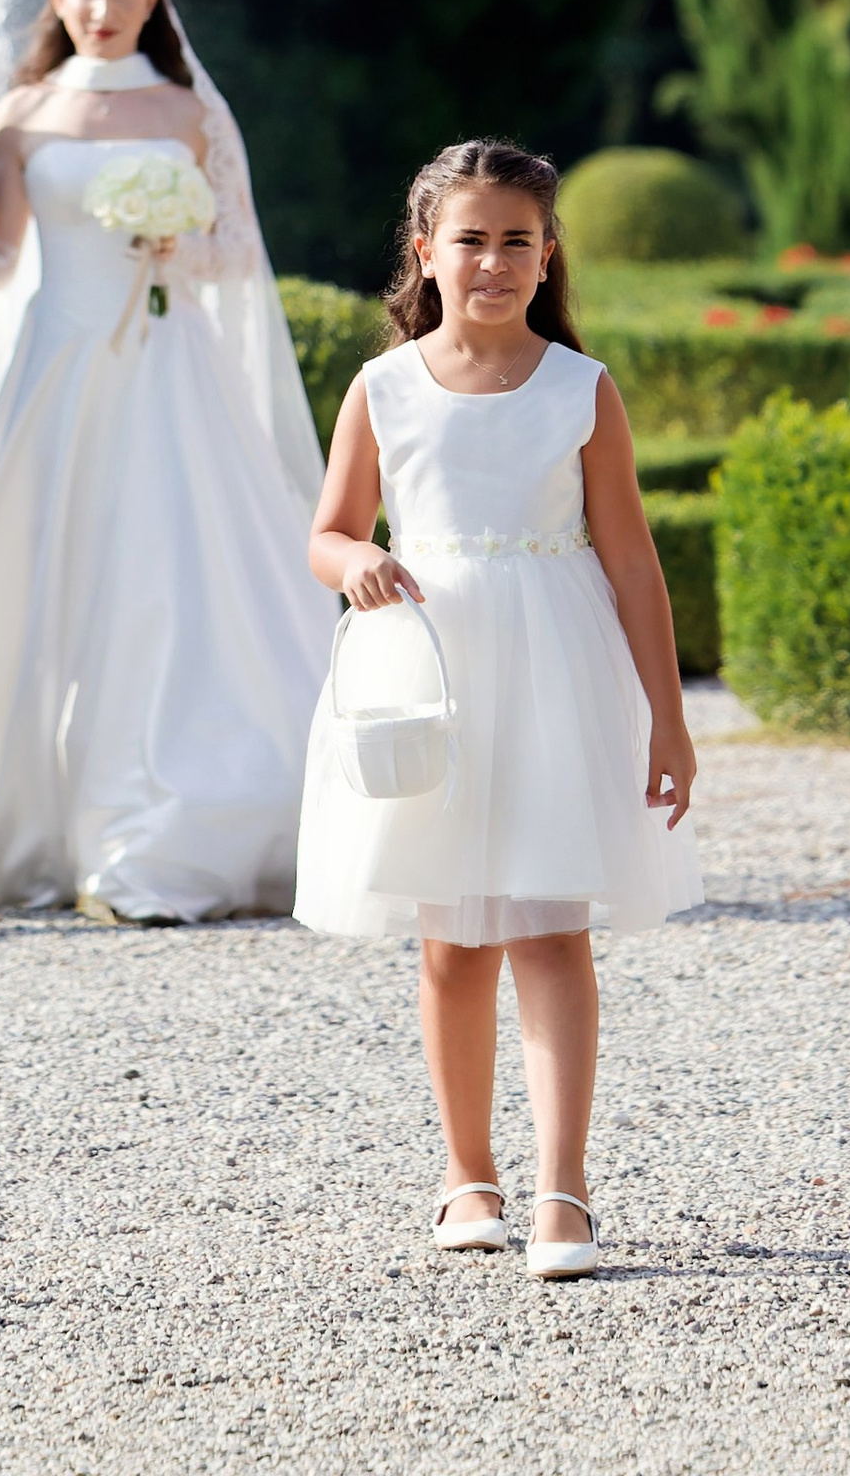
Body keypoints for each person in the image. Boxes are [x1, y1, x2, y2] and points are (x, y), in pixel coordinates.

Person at [294, 136, 701, 1279]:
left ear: (546, 253)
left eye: (515, 240)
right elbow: (327, 531)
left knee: (549, 927)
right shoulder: (382, 388)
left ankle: (561, 1191)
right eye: (468, 239)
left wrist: (667, 719)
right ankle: (465, 1175)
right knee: (450, 940)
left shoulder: (582, 388)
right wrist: (352, 566)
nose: (491, 260)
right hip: (429, 670)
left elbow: (629, 562)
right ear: (424, 253)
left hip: (556, 670)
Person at [0, 0, 329, 922]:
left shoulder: (185, 113)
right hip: (58, 366)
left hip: (168, 367)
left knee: (170, 577)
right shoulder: (22, 114)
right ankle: (28, 823)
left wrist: (171, 241)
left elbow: (235, 255)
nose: (102, 9)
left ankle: (165, 824)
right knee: (41, 576)